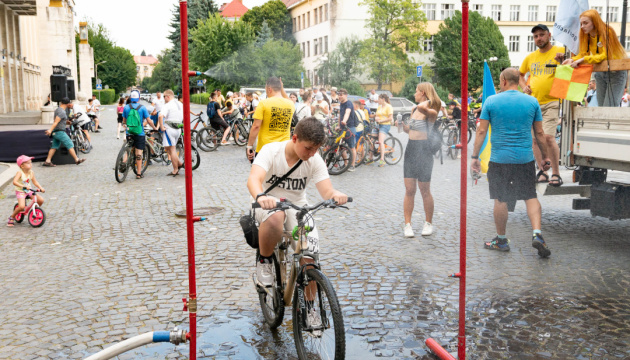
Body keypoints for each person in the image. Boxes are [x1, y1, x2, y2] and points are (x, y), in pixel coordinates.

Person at [247, 117, 348, 289]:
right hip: (267, 202)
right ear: (295, 138)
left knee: (310, 259)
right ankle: (264, 262)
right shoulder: (271, 151)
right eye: (308, 148)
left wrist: (335, 194)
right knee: (276, 216)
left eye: (316, 149)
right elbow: (253, 179)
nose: (311, 154)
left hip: (297, 206)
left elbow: (326, 191)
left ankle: (311, 312)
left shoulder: (314, 159)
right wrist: (261, 197)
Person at [470, 68, 552, 258]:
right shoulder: (532, 101)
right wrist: (545, 158)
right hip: (524, 159)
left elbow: (481, 132)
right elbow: (540, 134)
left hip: (500, 160)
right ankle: (538, 235)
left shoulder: (491, 101)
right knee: (530, 196)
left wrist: (474, 156)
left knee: (501, 198)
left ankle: (500, 240)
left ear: (504, 81)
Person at [520, 23, 565, 187]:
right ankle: (542, 171)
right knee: (535, 140)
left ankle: (556, 173)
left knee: (548, 137)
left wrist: (563, 61)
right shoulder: (530, 57)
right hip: (533, 103)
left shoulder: (559, 52)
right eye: (535, 36)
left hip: (552, 101)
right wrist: (524, 86)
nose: (538, 38)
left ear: (549, 35)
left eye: (541, 35)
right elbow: (520, 74)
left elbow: (569, 71)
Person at [399, 83, 441, 238]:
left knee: (424, 190)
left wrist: (426, 103)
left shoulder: (431, 110)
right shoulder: (413, 109)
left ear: (423, 93)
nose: (414, 94)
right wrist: (403, 126)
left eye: (416, 91)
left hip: (424, 151)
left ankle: (428, 223)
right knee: (409, 189)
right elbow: (410, 130)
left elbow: (426, 111)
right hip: (411, 149)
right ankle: (407, 225)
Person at [561, 10, 628, 107]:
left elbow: (606, 55)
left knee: (609, 106)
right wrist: (573, 59)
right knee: (601, 106)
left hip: (616, 71)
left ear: (595, 22)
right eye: (581, 23)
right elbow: (583, 54)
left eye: (585, 23)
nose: (582, 26)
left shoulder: (607, 31)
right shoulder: (585, 35)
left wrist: (582, 59)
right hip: (600, 71)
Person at [246, 77, 293, 162]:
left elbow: (256, 126)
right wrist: (281, 88)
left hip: (265, 148)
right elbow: (288, 99)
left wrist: (249, 145)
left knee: (262, 175)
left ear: (269, 89)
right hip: (283, 149)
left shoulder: (264, 103)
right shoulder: (290, 104)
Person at [43, 97, 86, 167]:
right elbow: (56, 122)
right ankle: (76, 160)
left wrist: (67, 122)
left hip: (56, 132)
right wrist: (50, 130)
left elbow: (59, 120)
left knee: (54, 146)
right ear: (68, 104)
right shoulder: (62, 112)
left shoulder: (58, 109)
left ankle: (47, 161)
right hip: (60, 132)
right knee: (70, 144)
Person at [124, 90, 157, 179]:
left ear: (131, 98)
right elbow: (149, 120)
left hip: (129, 132)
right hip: (139, 133)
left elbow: (124, 121)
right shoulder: (142, 108)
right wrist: (154, 128)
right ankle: (138, 173)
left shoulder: (126, 107)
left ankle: (123, 162)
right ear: (138, 98)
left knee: (130, 149)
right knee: (139, 153)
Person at [7, 155, 45, 227]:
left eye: (31, 162)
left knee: (40, 200)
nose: (31, 164)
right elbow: (14, 182)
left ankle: (33, 211)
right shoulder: (20, 173)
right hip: (20, 191)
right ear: (22, 166)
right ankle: (12, 217)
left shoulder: (31, 172)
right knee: (21, 207)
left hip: (28, 190)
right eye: (28, 163)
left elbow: (35, 182)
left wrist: (41, 187)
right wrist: (23, 186)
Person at [158, 89, 183, 176]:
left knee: (171, 149)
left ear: (168, 96)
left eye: (164, 96)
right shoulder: (180, 104)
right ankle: (179, 163)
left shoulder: (167, 105)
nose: (163, 98)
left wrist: (161, 127)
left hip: (169, 129)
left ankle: (175, 169)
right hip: (178, 129)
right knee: (169, 147)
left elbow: (161, 116)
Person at [338, 88, 358, 172]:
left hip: (350, 127)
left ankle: (352, 165)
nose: (339, 96)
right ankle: (346, 164)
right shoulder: (341, 104)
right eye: (338, 94)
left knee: (351, 147)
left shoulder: (349, 103)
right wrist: (339, 125)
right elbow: (340, 115)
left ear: (346, 95)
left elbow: (347, 113)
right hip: (343, 128)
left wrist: (344, 121)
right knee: (340, 146)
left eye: (341, 95)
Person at [374, 94, 393, 167]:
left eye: (379, 99)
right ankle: (370, 156)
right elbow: (377, 115)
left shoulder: (389, 107)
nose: (378, 101)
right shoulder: (379, 107)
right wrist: (376, 118)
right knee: (371, 138)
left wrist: (381, 121)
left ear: (383, 99)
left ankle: (382, 160)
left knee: (380, 141)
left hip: (385, 125)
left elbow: (390, 118)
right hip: (378, 124)